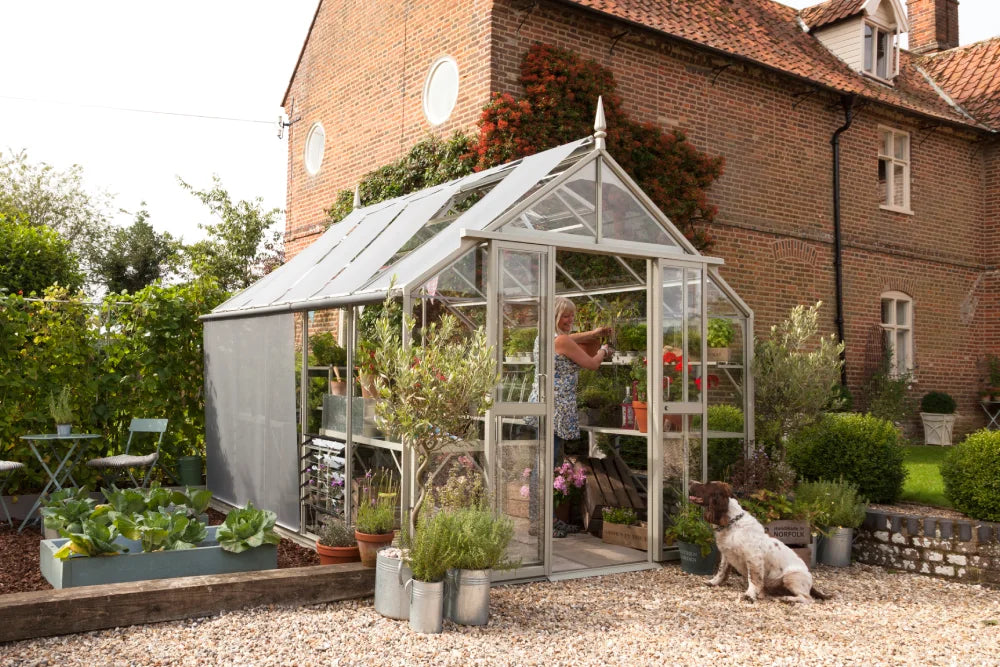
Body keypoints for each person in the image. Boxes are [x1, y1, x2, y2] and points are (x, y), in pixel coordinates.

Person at [527, 296, 613, 538]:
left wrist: (593, 332)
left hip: (544, 407)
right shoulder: (561, 341)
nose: (570, 319)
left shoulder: (544, 338)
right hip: (556, 410)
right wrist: (604, 350)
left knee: (547, 464)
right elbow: (592, 364)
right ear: (555, 315)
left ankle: (548, 519)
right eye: (566, 315)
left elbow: (572, 339)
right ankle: (540, 522)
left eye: (572, 315)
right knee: (546, 465)